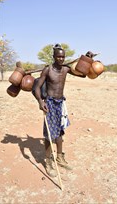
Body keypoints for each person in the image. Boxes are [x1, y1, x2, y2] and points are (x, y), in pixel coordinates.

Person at [35, 44, 85, 177]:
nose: (61, 59)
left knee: (60, 131)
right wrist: (41, 102)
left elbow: (83, 74)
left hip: (61, 103)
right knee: (49, 134)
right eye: (58, 56)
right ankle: (48, 162)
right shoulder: (47, 70)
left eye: (63, 57)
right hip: (50, 104)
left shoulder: (66, 69)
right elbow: (37, 88)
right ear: (54, 57)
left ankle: (59, 157)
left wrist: (87, 59)